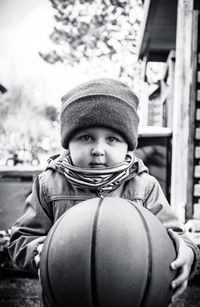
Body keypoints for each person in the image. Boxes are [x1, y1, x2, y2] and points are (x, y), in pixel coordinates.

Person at [8, 78, 200, 305]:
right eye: (86, 137)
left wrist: (187, 253)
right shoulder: (49, 185)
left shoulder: (144, 186)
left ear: (128, 145)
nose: (98, 150)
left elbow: (175, 236)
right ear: (68, 142)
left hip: (131, 297)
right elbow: (20, 239)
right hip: (66, 297)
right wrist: (41, 251)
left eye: (112, 139)